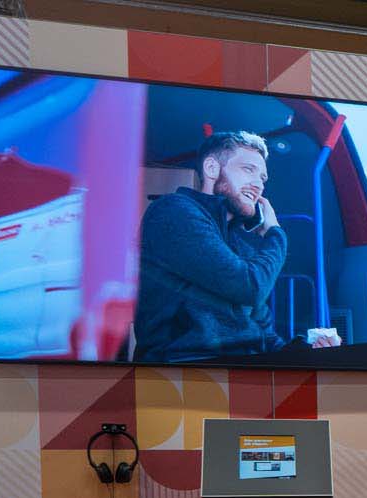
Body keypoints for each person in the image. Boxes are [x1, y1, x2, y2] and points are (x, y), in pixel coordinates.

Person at [133, 131, 339, 363]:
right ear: (212, 169)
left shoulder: (242, 247)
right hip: (183, 368)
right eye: (248, 169)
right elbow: (250, 287)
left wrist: (307, 350)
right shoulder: (174, 212)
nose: (258, 184)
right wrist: (275, 234)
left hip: (243, 372)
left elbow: (266, 338)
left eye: (262, 178)